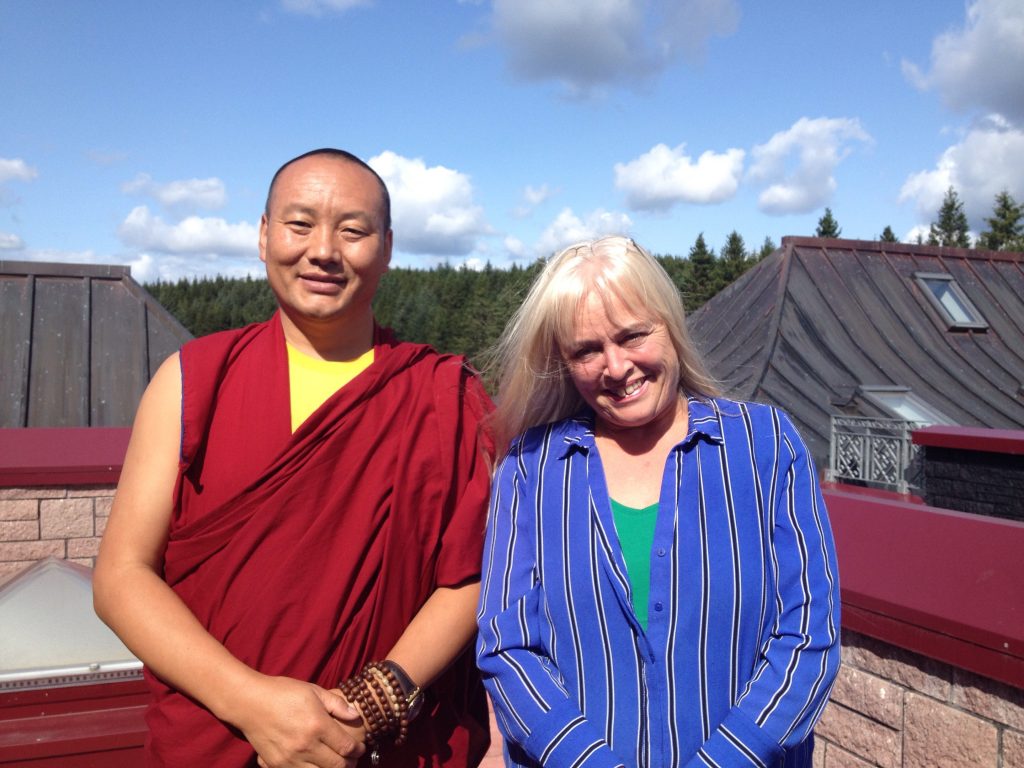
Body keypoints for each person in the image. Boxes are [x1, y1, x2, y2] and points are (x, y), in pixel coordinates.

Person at [94, 148, 493, 768]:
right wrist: (253, 704)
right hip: (217, 732)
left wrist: (369, 706)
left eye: (353, 230)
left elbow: (467, 577)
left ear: (386, 249)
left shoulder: (444, 395)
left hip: (379, 746)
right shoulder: (194, 381)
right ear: (262, 235)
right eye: (299, 224)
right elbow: (121, 578)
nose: (324, 250)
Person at [476, 236, 840, 767]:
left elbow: (809, 633)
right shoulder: (530, 468)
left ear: (670, 324)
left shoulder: (766, 445)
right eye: (586, 350)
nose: (616, 367)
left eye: (632, 335)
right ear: (564, 362)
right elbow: (507, 648)